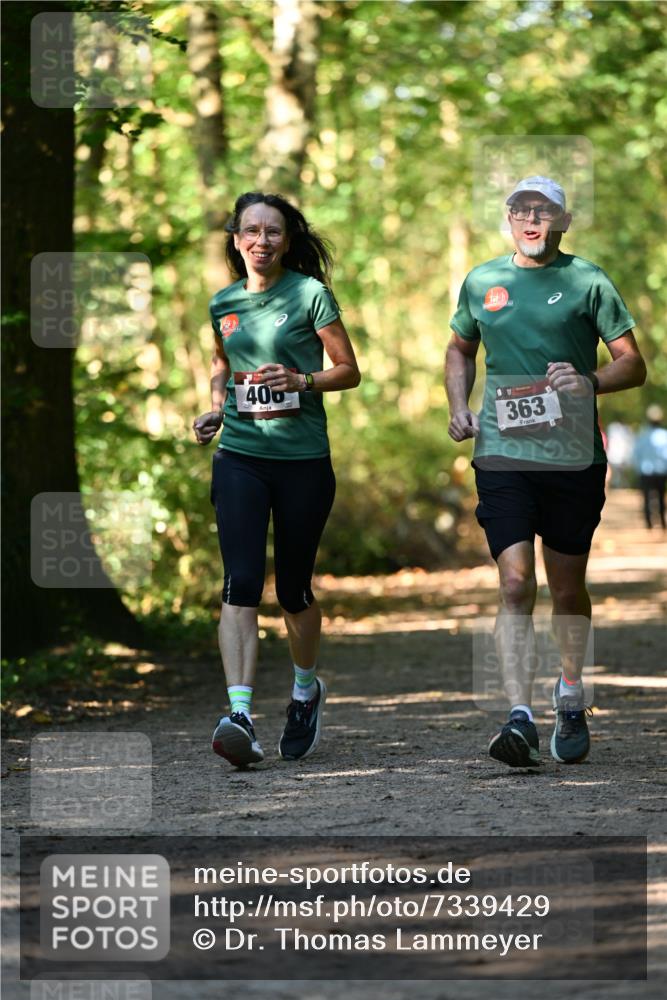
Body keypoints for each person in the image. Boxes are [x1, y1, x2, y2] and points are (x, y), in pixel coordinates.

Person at [445, 175, 646, 767]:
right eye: (521, 210)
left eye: (544, 211)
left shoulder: (587, 280)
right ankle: (519, 716)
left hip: (571, 457)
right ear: (508, 218)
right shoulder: (482, 282)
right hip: (502, 453)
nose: (532, 220)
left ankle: (570, 692)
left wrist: (587, 382)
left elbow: (633, 365)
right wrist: (458, 404)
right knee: (514, 583)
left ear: (563, 221)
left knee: (566, 589)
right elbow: (459, 348)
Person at [193, 192, 360, 767]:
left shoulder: (310, 294)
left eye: (273, 232)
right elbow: (222, 363)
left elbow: (349, 370)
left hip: (303, 461)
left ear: (288, 241)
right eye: (251, 230)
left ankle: (305, 691)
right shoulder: (223, 303)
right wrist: (215, 408)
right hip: (240, 456)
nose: (261, 240)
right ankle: (239, 714)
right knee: (240, 582)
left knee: (293, 591)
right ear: (236, 239)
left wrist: (302, 381)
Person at [633, 404, 667, 529]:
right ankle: (662, 523)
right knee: (661, 497)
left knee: (647, 497)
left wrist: (637, 469)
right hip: (661, 471)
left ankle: (649, 524)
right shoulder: (664, 435)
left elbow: (636, 454)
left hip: (645, 472)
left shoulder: (643, 435)